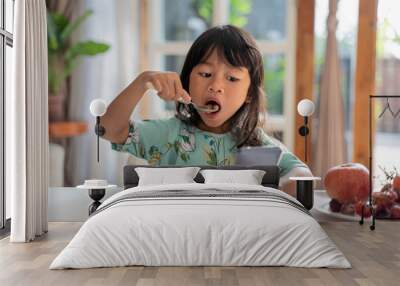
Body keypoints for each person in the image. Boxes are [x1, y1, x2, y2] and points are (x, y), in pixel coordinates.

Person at [100, 25, 312, 197]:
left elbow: (301, 174)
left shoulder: (255, 143)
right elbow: (107, 129)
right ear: (186, 82)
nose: (216, 85)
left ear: (249, 94)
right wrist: (142, 82)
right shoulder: (168, 134)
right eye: (205, 73)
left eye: (232, 78)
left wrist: (282, 189)